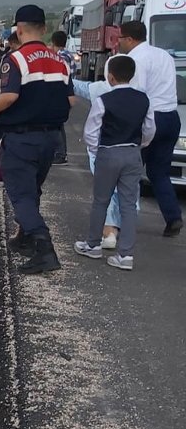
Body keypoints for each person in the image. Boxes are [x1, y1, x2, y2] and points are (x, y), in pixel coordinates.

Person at [0, 5, 73, 274]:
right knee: (33, 189)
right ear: (45, 29)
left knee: (21, 194)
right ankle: (25, 238)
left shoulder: (16, 59)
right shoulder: (59, 60)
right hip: (51, 139)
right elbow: (70, 99)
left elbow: (9, 97)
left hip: (22, 139)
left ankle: (44, 248)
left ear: (19, 29)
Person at [73, 55, 155, 270]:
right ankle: (125, 255)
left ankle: (93, 245)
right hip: (132, 153)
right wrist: (140, 145)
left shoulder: (104, 100)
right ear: (132, 75)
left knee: (101, 200)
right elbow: (149, 130)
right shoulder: (144, 99)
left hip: (108, 152)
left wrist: (96, 150)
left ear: (110, 77)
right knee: (128, 204)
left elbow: (91, 131)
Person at [117, 20, 182, 237]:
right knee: (159, 172)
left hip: (151, 119)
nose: (118, 43)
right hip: (171, 117)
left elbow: (137, 95)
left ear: (129, 39)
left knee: (129, 172)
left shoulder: (135, 60)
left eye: (120, 38)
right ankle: (173, 218)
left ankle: (119, 223)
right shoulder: (164, 55)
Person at [49, 31, 76, 165]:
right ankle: (60, 153)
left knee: (57, 125)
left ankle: (60, 154)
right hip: (68, 92)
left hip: (62, 93)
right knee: (59, 125)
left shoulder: (60, 57)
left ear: (53, 42)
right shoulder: (69, 55)